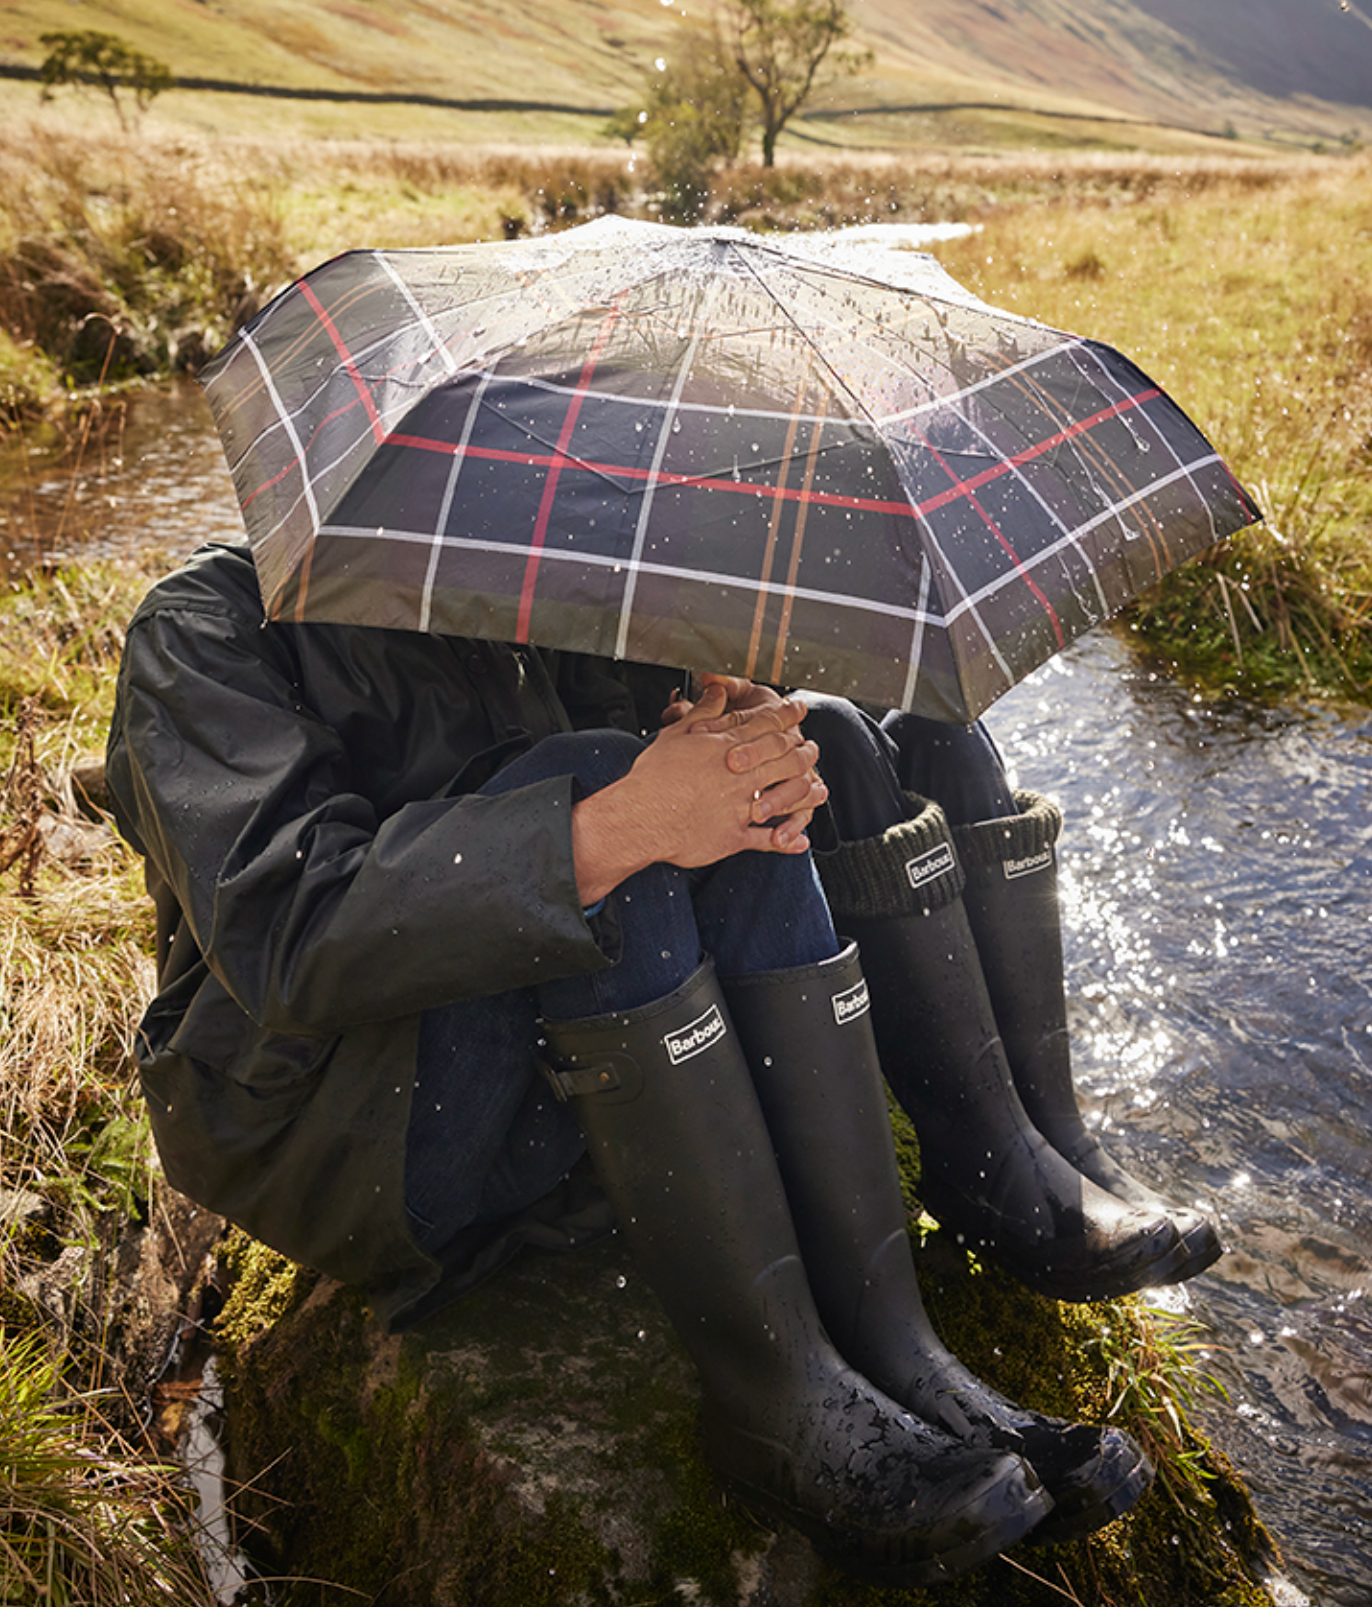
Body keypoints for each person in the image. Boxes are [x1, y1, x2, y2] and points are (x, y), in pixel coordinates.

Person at [105, 538, 1216, 1585]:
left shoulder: (552, 598)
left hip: (570, 1092)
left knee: (792, 742)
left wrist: (713, 724)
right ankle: (769, 1392)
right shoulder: (207, 626)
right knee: (596, 779)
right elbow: (293, 943)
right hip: (333, 1131)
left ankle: (900, 1344)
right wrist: (623, 819)